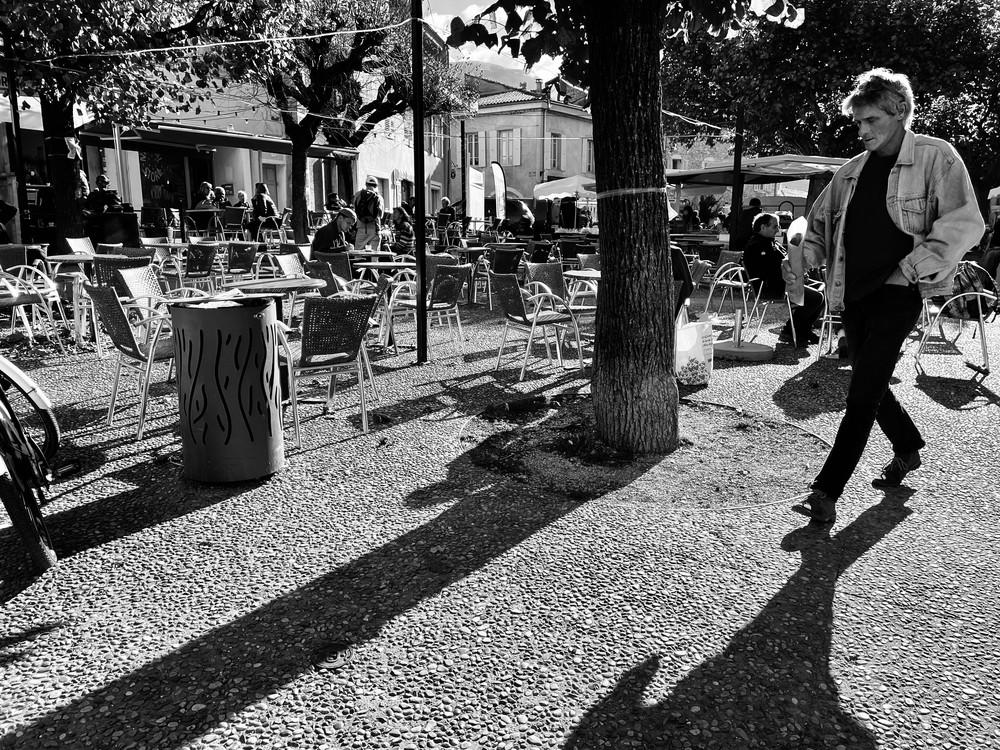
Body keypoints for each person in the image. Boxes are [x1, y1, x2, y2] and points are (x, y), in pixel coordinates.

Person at [784, 68, 983, 524]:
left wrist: (910, 269)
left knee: (862, 393)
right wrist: (801, 256)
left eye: (871, 120)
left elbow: (965, 224)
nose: (862, 130)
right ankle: (908, 446)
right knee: (868, 381)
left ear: (900, 113)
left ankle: (826, 490)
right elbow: (818, 229)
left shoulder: (936, 157)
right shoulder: (850, 172)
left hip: (901, 291)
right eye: (858, 122)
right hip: (852, 292)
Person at [742, 212, 824, 346]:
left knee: (822, 290)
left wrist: (799, 272)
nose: (778, 230)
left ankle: (803, 329)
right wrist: (795, 274)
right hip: (771, 286)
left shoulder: (771, 242)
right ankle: (790, 330)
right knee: (815, 297)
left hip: (785, 282)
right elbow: (771, 270)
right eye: (775, 226)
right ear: (763, 227)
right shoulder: (756, 245)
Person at [352, 176, 385, 251]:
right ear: (376, 185)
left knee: (358, 252)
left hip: (361, 228)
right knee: (374, 254)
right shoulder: (379, 197)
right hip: (374, 229)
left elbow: (355, 210)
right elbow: (381, 215)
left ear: (366, 184)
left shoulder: (357, 195)